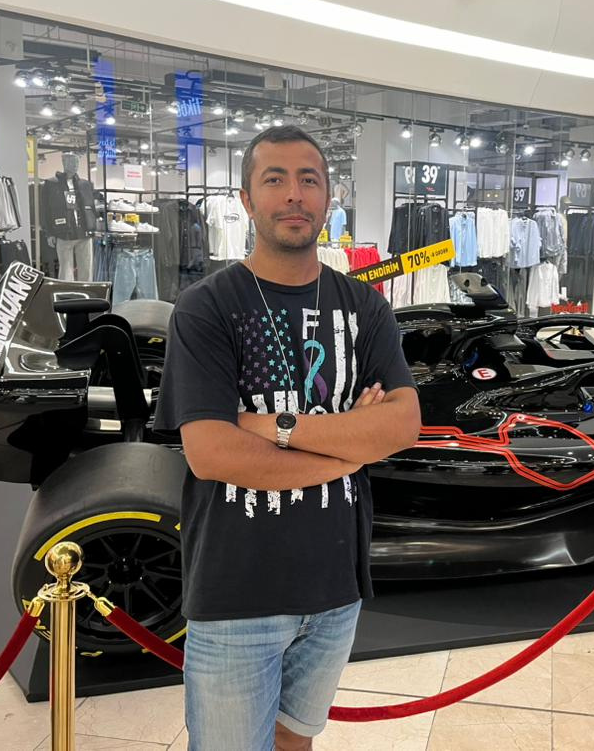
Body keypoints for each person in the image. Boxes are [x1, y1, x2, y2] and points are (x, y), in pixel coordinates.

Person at [154, 125, 422, 750]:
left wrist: (275, 428)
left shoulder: (364, 307)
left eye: (309, 180)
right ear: (247, 200)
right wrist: (350, 448)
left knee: (297, 741)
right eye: (275, 179)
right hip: (236, 592)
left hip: (336, 588)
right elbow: (212, 452)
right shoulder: (206, 307)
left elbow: (403, 423)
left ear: (329, 197)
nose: (294, 194)